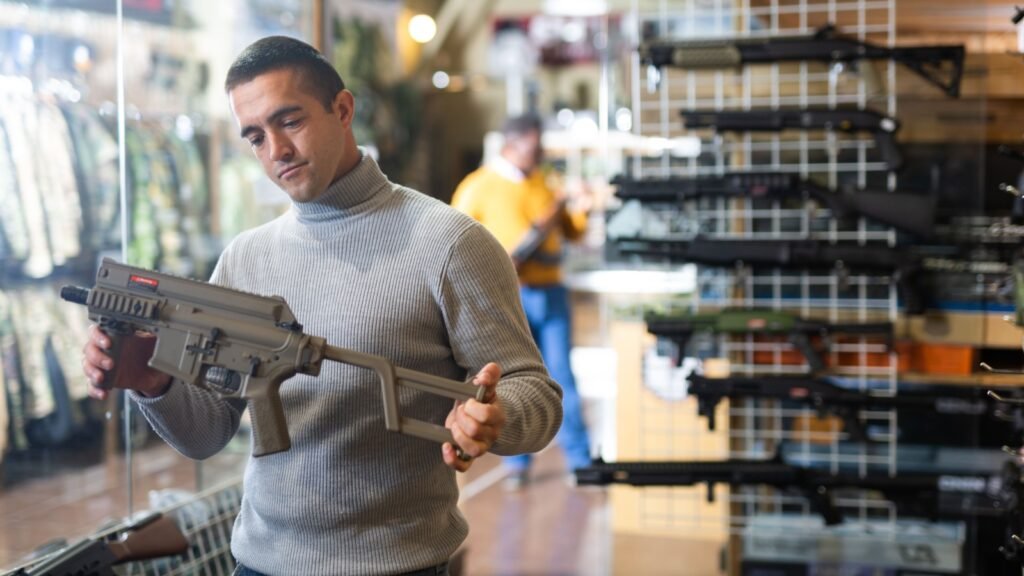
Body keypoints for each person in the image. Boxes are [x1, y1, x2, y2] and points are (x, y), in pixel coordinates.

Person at [79, 36, 563, 576]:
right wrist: (152, 382)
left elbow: (535, 395)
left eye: (290, 121)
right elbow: (207, 433)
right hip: (259, 563)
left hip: (398, 566)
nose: (276, 151)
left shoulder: (450, 243)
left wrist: (496, 418)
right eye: (256, 137)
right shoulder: (246, 258)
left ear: (343, 109)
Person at [451, 114, 592, 490]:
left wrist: (581, 208)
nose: (540, 154)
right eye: (534, 147)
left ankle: (581, 461)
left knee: (564, 376)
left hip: (551, 290)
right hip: (505, 298)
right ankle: (519, 464)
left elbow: (573, 232)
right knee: (514, 381)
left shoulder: (546, 183)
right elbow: (454, 243)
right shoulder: (477, 187)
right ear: (511, 145)